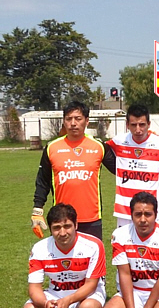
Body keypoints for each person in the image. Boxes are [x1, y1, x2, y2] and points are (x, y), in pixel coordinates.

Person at [22, 203, 106, 308]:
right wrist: (46, 303)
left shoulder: (93, 245)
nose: (62, 233)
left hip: (87, 295)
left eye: (67, 226)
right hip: (56, 295)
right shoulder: (39, 249)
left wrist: (68, 300)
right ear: (50, 229)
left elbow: (91, 285)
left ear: (76, 225)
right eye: (56, 228)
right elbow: (34, 287)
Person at [32, 101, 116, 240]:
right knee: (61, 254)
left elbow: (121, 169)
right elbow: (43, 181)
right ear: (63, 121)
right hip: (61, 219)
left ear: (86, 121)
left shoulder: (98, 146)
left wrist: (143, 141)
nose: (73, 123)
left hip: (91, 219)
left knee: (91, 254)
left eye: (78, 119)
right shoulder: (51, 147)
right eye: (69, 119)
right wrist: (37, 209)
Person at [106, 104, 159, 227]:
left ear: (149, 124)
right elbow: (100, 149)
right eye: (133, 125)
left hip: (152, 209)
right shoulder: (119, 141)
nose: (138, 129)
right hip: (124, 210)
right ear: (127, 125)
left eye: (142, 125)